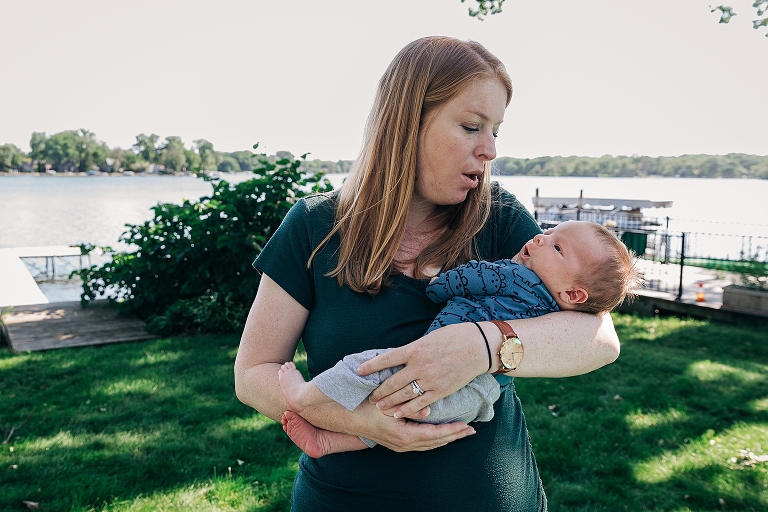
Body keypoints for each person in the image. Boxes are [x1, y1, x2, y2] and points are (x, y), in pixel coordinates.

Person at [234, 36, 621, 512]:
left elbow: (599, 339)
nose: (490, 149)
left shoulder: (499, 220)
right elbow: (252, 374)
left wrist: (482, 346)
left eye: (496, 130)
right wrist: (362, 423)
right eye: (472, 126)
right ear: (406, 123)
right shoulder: (313, 227)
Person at [275, 220, 641, 455]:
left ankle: (306, 396)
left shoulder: (514, 273)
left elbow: (473, 276)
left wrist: (438, 287)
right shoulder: (556, 310)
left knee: (368, 367)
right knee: (441, 411)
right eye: (549, 232)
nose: (540, 239)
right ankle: (329, 439)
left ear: (575, 295)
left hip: (420, 359)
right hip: (477, 387)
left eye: (557, 247)